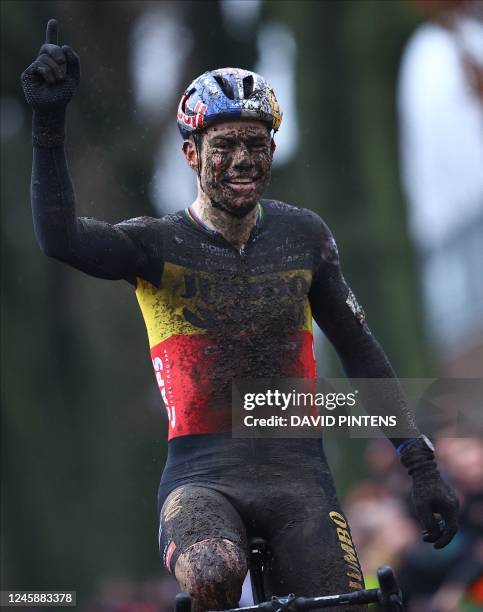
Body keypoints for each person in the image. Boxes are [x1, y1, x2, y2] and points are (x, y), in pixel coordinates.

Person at [21, 19, 460, 612]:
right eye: (223, 146)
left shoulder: (304, 236)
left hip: (300, 477)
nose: (242, 160)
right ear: (191, 153)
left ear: (272, 150)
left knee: (349, 603)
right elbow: (61, 238)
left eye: (256, 145)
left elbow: (359, 350)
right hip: (201, 479)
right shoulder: (155, 244)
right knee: (211, 572)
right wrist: (48, 126)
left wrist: (419, 460)